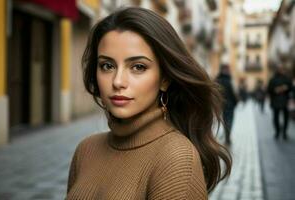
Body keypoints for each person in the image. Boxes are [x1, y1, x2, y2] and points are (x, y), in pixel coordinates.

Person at [66, 7, 231, 199]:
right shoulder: (86, 150)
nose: (118, 81)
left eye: (138, 67)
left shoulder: (176, 157)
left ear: (164, 79)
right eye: (107, 66)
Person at [267, 64, 292, 140]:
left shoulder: (287, 78)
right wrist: (275, 90)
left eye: (282, 69)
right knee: (276, 117)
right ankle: (277, 132)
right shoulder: (273, 79)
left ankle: (284, 132)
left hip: (285, 100)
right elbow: (269, 89)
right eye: (280, 69)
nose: (281, 70)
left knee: (286, 117)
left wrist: (285, 88)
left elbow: (291, 87)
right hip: (275, 100)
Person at [216, 64, 238, 145]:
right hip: (230, 104)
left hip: (222, 104)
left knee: (225, 120)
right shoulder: (229, 81)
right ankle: (228, 137)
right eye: (228, 69)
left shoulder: (217, 80)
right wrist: (236, 102)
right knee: (230, 120)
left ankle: (227, 136)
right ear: (225, 70)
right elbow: (233, 93)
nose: (229, 71)